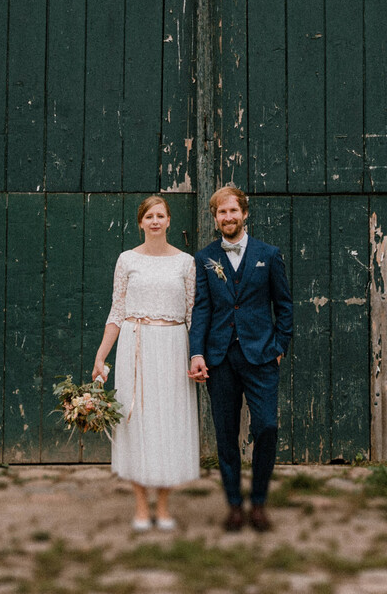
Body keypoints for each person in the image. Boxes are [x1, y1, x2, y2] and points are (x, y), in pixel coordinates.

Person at [189, 184, 293, 533]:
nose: (228, 217)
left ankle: (259, 502)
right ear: (215, 218)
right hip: (219, 358)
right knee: (225, 433)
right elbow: (201, 309)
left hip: (261, 355)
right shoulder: (205, 259)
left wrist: (279, 346)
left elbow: (285, 305)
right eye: (222, 212)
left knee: (266, 426)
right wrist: (198, 352)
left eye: (233, 211)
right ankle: (234, 504)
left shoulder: (269, 254)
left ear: (244, 213)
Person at [92, 194, 199, 530]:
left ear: (169, 221)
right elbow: (117, 310)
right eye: (149, 216)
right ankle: (140, 505)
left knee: (169, 422)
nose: (155, 221)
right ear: (140, 222)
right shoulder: (127, 260)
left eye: (161, 215)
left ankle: (164, 506)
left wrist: (198, 355)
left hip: (172, 347)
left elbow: (194, 314)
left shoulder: (185, 262)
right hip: (135, 346)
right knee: (136, 422)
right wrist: (101, 354)